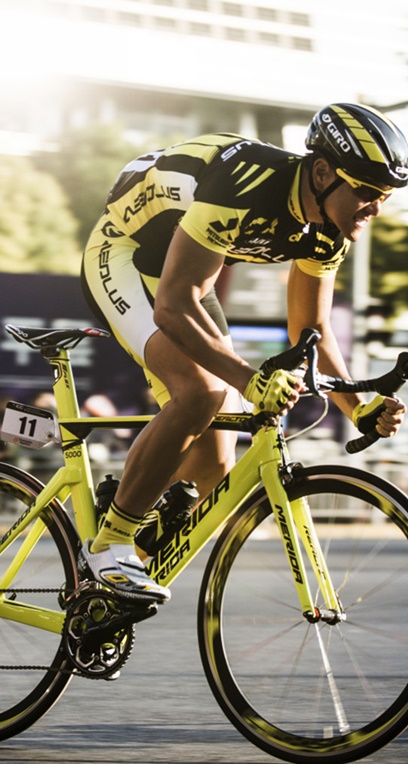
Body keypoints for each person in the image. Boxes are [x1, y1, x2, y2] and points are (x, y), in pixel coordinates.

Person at [79, 102, 408, 604]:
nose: (375, 207)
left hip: (183, 271)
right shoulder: (246, 182)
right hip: (126, 253)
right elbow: (172, 306)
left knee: (216, 460)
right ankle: (110, 545)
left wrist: (356, 408)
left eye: (384, 196)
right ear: (322, 173)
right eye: (366, 191)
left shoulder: (327, 231)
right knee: (201, 392)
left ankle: (107, 594)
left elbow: (312, 328)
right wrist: (251, 380)